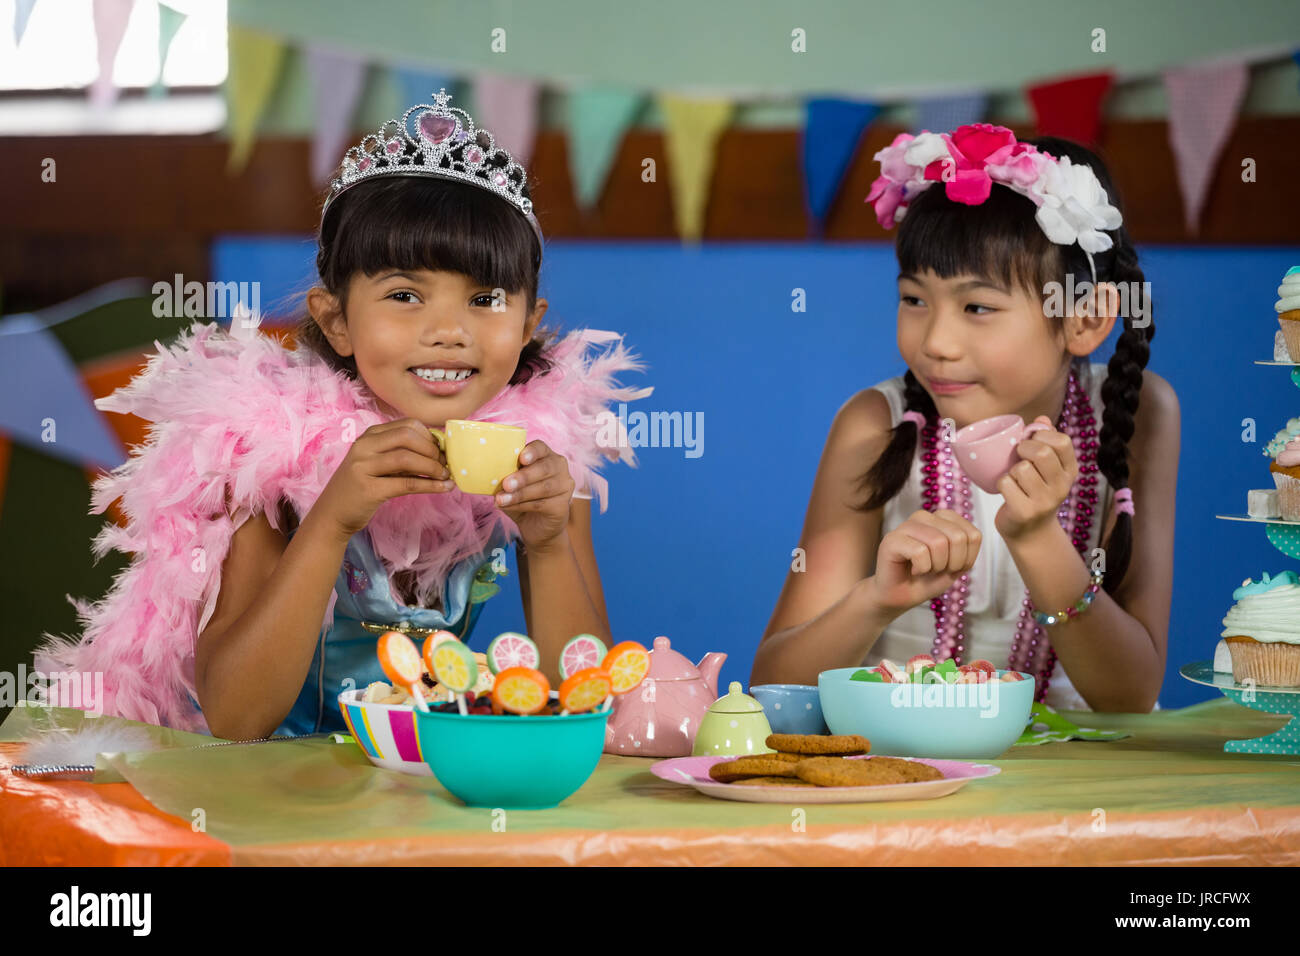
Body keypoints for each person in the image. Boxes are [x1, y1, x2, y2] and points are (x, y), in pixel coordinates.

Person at [35, 89, 652, 739]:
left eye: (485, 298)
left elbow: (587, 702)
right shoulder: (264, 462)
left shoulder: (546, 460)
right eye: (405, 294)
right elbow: (237, 719)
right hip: (270, 800)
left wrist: (550, 539)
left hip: (419, 789)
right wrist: (329, 521)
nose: (448, 330)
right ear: (336, 321)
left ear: (530, 324)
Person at [752, 124, 1178, 711]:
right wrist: (876, 599)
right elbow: (775, 685)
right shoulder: (876, 424)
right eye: (914, 300)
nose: (937, 343)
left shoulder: (1138, 413)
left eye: (977, 307)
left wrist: (1037, 540)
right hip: (906, 770)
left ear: (1085, 320)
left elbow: (1129, 694)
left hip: (1079, 779)